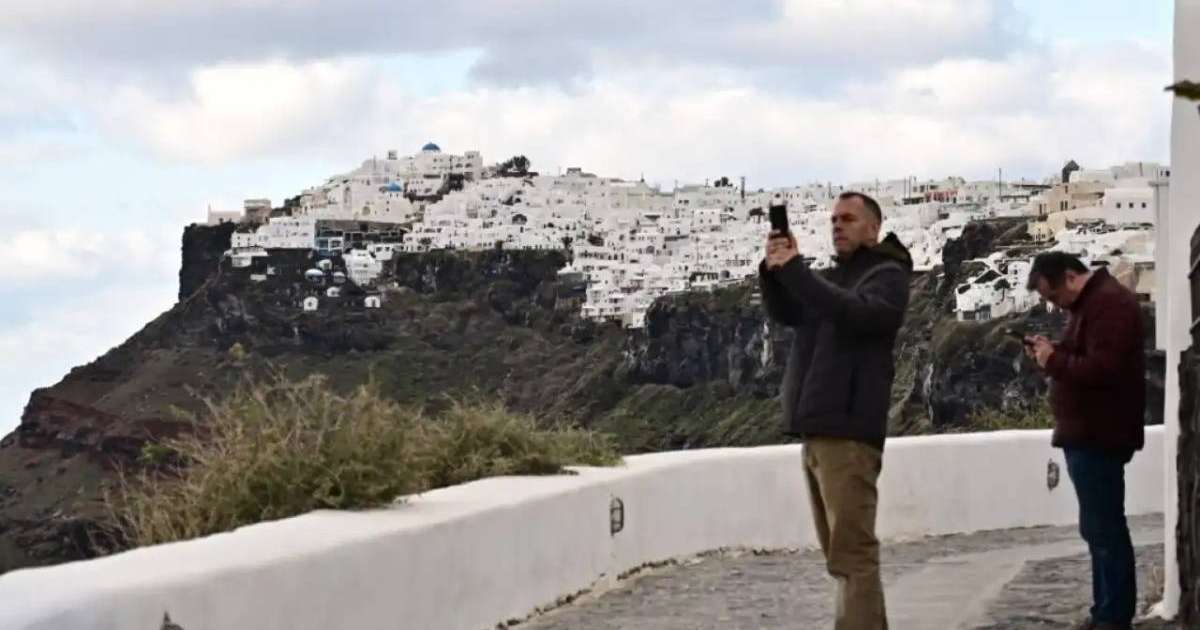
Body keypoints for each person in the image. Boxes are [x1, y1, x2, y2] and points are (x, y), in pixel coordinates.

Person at [759, 191, 912, 630]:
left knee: (853, 553)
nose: (837, 226)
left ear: (873, 228)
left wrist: (798, 272)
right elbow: (791, 312)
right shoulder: (837, 278)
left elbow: (857, 315)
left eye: (847, 219)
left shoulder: (887, 275)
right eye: (833, 220)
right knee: (840, 555)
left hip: (848, 430)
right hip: (820, 428)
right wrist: (775, 273)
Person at [1024, 252, 1145, 630]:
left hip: (1100, 434)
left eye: (1055, 297)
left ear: (1071, 278)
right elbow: (1088, 357)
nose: (1056, 305)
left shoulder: (1109, 305)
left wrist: (1053, 361)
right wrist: (1053, 352)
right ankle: (1104, 611)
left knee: (1106, 530)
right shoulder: (1094, 304)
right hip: (1090, 434)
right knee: (1098, 529)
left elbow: (1102, 370)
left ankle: (1113, 616)